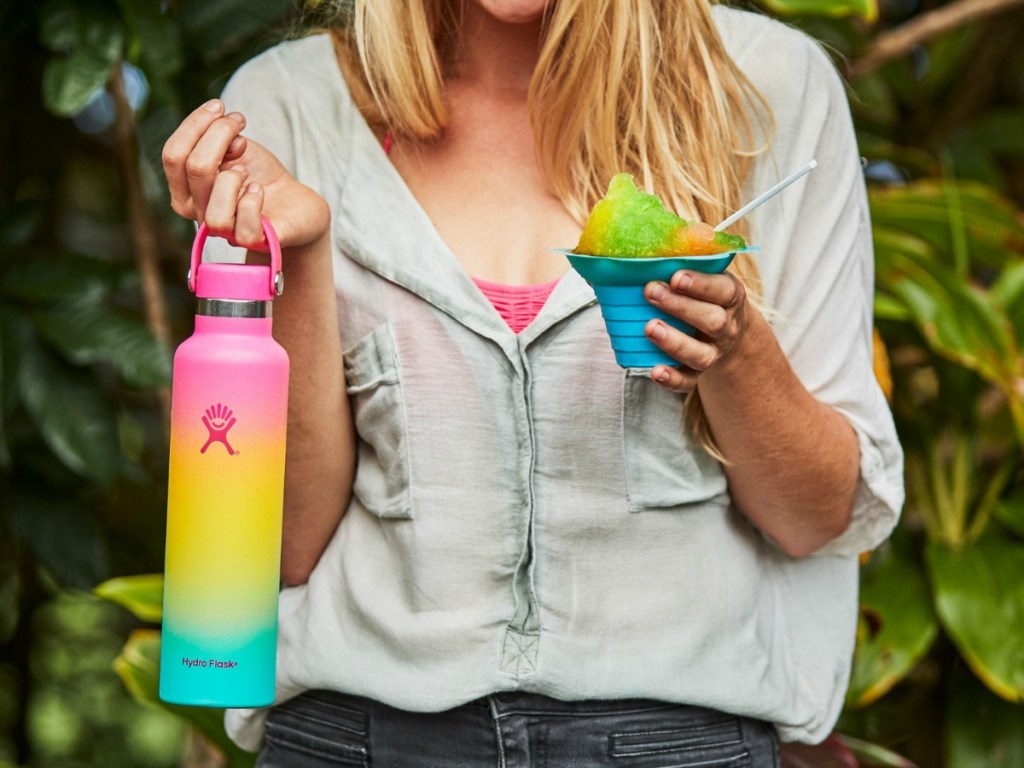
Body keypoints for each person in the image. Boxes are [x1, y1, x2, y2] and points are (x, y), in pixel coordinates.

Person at [161, 0, 904, 765]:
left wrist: (739, 352)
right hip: (355, 739)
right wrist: (302, 256)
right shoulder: (288, 106)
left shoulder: (769, 87)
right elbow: (287, 548)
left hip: (677, 744)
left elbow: (814, 519)